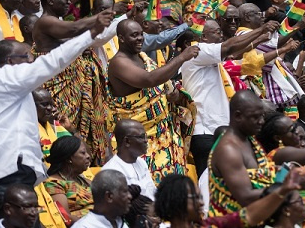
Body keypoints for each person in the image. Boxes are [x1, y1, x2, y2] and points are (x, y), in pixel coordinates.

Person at [0, 11, 112, 222]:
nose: (31, 60)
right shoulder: (8, 77)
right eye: (27, 57)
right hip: (10, 170)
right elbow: (51, 63)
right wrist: (90, 34)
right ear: (11, 61)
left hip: (0, 171)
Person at [181, 18, 281, 177]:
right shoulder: (197, 51)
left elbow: (234, 53)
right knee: (211, 186)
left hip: (218, 129)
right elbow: (229, 47)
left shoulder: (209, 58)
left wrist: (259, 38)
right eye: (217, 32)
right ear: (204, 37)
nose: (221, 35)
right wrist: (261, 29)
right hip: (206, 131)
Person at [34, 0, 119, 165]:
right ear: (50, 0)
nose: (68, 3)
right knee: (64, 133)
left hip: (76, 84)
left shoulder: (59, 21)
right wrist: (101, 17)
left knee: (82, 132)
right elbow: (74, 29)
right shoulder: (45, 21)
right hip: (58, 84)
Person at [109, 19, 200, 183]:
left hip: (163, 134)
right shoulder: (118, 62)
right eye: (134, 35)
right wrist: (181, 58)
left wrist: (171, 96)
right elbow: (149, 80)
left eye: (141, 35)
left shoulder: (142, 56)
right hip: (139, 139)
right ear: (121, 38)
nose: (140, 39)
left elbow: (158, 85)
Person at [208, 91, 279, 216]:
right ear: (238, 116)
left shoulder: (249, 140)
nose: (262, 121)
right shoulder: (228, 150)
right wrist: (286, 187)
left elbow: (261, 174)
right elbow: (246, 197)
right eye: (255, 117)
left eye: (262, 116)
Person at [155, 168, 303, 228]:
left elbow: (248, 216)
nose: (201, 202)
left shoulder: (208, 225)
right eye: (194, 198)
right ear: (176, 200)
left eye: (200, 197)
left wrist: (283, 191)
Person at [103, 119, 157, 200]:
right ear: (127, 141)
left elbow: (152, 193)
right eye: (141, 137)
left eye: (146, 136)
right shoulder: (111, 172)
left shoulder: (141, 162)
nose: (146, 140)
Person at [44, 136, 93, 224]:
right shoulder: (54, 183)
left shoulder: (84, 181)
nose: (88, 156)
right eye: (83, 153)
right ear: (69, 158)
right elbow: (65, 217)